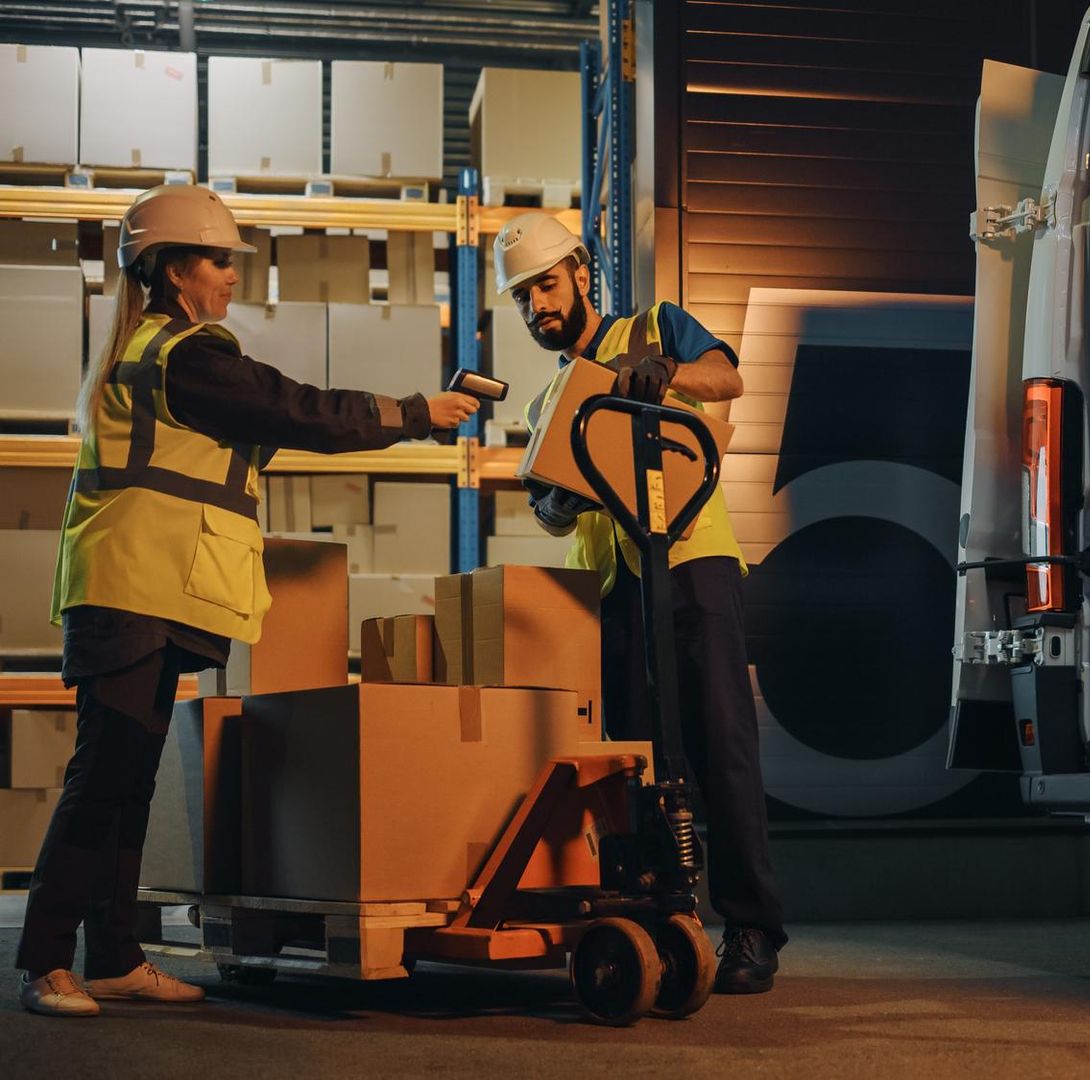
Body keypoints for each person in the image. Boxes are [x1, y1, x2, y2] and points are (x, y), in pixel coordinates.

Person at [15, 185, 479, 1018]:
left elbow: (273, 421)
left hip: (149, 586)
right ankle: (46, 960)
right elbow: (295, 407)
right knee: (103, 778)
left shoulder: (168, 351)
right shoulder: (184, 357)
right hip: (129, 587)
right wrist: (415, 413)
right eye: (219, 259)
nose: (232, 275)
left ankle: (115, 956)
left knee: (127, 781)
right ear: (171, 269)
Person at [495, 212, 785, 993]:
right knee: (640, 761)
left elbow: (729, 377)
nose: (537, 309)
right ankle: (665, 919)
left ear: (582, 274)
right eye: (523, 299)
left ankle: (753, 928)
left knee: (722, 743)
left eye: (546, 287)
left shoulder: (655, 326)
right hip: (617, 588)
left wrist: (668, 373)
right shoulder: (546, 402)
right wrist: (554, 502)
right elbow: (547, 506)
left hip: (692, 561)